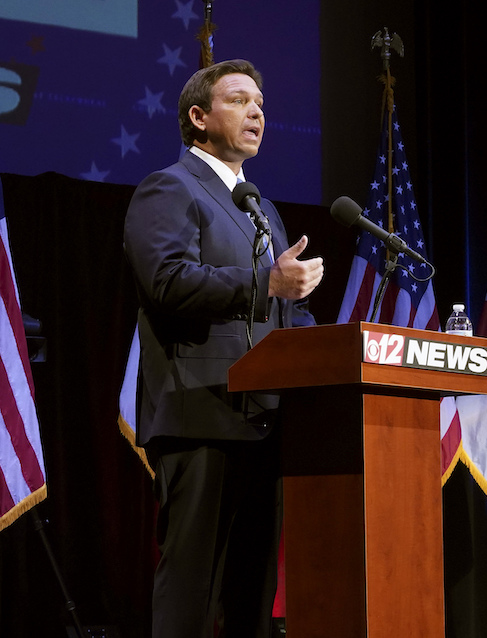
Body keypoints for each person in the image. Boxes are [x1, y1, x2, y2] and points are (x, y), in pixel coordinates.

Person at [124, 59, 324, 637]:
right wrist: (268, 283)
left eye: (260, 102)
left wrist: (337, 342)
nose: (256, 111)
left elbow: (284, 314)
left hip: (264, 419)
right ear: (198, 117)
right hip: (199, 413)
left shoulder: (262, 208)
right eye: (238, 100)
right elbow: (167, 281)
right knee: (192, 589)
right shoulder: (169, 187)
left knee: (252, 595)